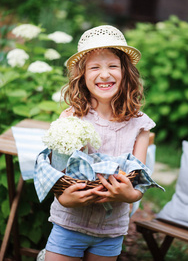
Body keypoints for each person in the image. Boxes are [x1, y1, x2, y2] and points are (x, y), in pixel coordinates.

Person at [45, 25, 156, 261]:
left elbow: (138, 185)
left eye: (113, 66)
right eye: (95, 67)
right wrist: (65, 198)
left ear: (126, 72)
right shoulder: (70, 119)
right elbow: (57, 175)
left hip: (110, 233)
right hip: (68, 225)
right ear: (82, 77)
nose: (104, 74)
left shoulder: (140, 126)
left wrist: (128, 196)